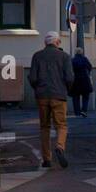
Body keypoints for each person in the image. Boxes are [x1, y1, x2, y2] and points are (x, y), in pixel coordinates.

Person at [28, 32, 74, 167]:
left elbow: (33, 78)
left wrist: (37, 88)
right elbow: (70, 78)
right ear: (58, 42)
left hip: (42, 96)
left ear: (45, 43)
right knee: (61, 125)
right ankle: (60, 146)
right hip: (59, 95)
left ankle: (46, 158)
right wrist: (66, 89)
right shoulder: (64, 57)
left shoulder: (37, 56)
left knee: (44, 126)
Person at [71, 46, 93, 118]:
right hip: (85, 79)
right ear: (82, 52)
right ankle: (84, 110)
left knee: (75, 97)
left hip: (76, 80)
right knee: (85, 96)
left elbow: (70, 69)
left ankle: (77, 112)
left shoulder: (73, 60)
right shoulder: (85, 59)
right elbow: (90, 67)